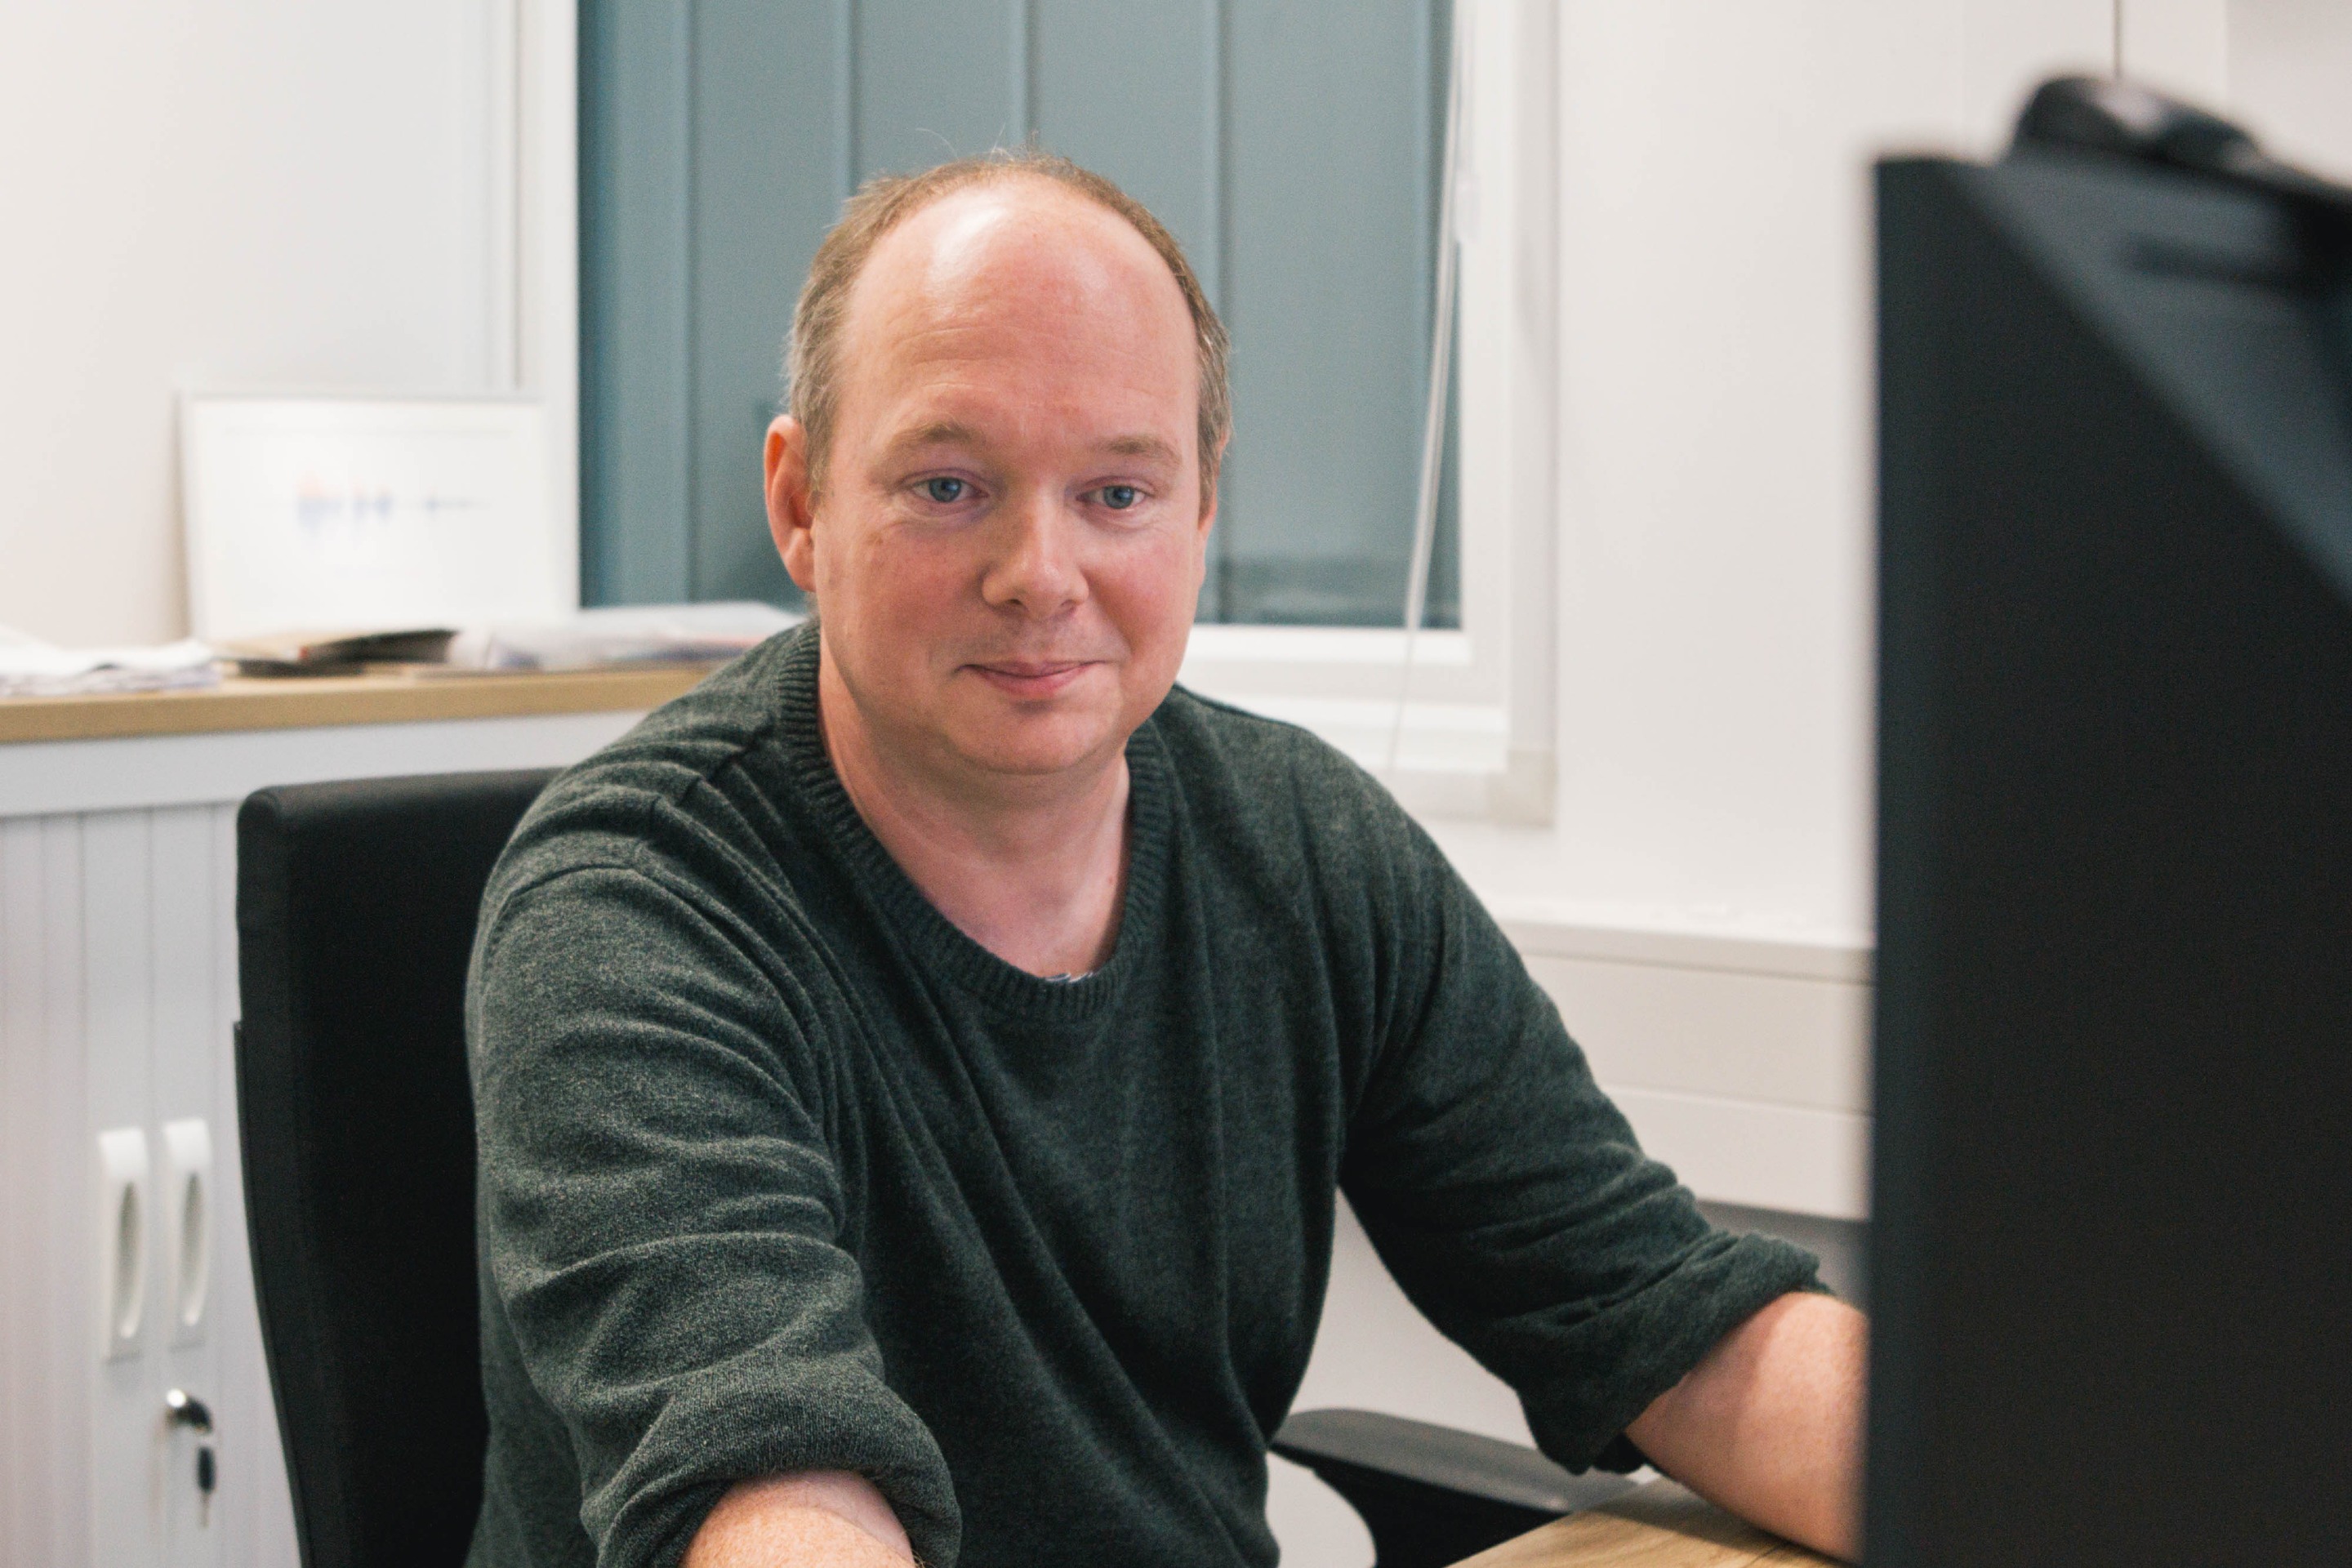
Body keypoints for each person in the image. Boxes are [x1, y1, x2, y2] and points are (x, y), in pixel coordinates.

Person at [464, 150, 1866, 1568]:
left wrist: (1984, 1479)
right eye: (947, 485)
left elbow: (1669, 1319)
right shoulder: (636, 909)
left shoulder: (1308, 851)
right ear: (801, 505)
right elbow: (772, 1492)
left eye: (1118, 493)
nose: (1040, 573)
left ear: (1201, 512)